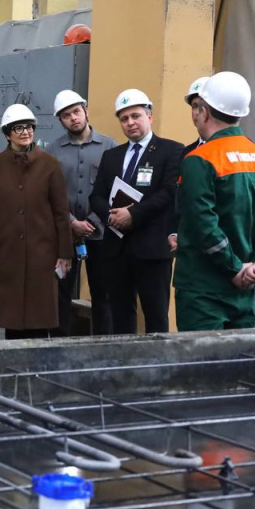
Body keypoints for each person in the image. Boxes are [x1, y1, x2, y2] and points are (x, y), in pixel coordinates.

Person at [175, 71, 255, 330]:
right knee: (240, 355)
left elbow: (203, 226)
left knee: (202, 356)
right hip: (244, 291)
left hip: (203, 292)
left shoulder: (199, 159)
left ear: (204, 112)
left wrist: (234, 268)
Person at [90, 89, 184, 334]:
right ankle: (124, 358)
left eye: (136, 116)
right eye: (124, 118)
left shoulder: (171, 150)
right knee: (120, 316)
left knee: (156, 315)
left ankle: (157, 359)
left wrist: (134, 214)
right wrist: (111, 216)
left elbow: (168, 192)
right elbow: (96, 196)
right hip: (117, 248)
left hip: (152, 248)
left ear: (149, 116)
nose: (130, 122)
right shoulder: (111, 155)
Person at [0, 104, 73, 339]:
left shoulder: (49, 165)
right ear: (7, 134)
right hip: (7, 255)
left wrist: (65, 253)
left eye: (29, 127)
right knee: (12, 321)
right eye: (18, 128)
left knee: (40, 318)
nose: (25, 132)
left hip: (43, 255)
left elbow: (61, 213)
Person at [44, 89, 118, 336]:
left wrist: (94, 220)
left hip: (101, 233)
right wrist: (71, 222)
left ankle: (103, 346)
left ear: (85, 110)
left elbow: (114, 190)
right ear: (60, 121)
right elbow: (48, 193)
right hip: (65, 235)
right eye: (66, 115)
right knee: (61, 293)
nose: (73, 118)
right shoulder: (53, 151)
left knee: (103, 294)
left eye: (76, 111)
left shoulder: (109, 146)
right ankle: (60, 346)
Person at [169, 76, 209, 253]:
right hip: (189, 248)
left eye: (202, 105)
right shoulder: (187, 152)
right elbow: (179, 198)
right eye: (194, 106)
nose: (197, 112)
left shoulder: (234, 149)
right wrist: (174, 232)